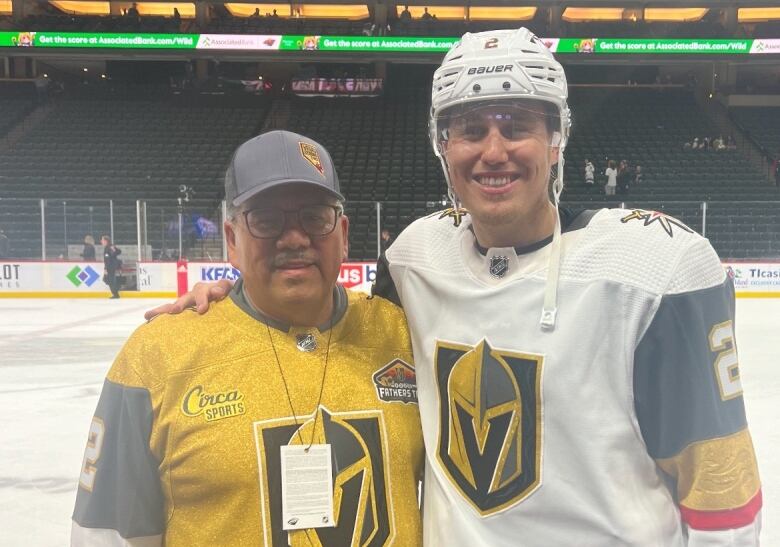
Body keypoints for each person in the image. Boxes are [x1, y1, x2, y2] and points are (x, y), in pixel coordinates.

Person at [149, 28, 762, 545]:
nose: (492, 151)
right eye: (469, 130)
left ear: (556, 140)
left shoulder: (657, 270)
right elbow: (343, 331)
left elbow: (723, 497)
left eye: (516, 124)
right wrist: (240, 304)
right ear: (443, 147)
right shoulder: (418, 255)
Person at [72, 131, 424, 545]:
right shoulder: (156, 357)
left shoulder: (405, 335)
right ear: (233, 241)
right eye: (266, 219)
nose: (294, 238)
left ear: (343, 235)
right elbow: (107, 535)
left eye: (314, 216)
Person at [100, 235, 122, 299]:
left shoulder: (108, 247)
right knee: (108, 280)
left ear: (106, 241)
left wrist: (106, 268)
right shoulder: (108, 247)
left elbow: (109, 258)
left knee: (110, 280)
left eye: (102, 240)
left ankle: (116, 294)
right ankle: (116, 293)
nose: (101, 241)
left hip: (111, 266)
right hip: (111, 266)